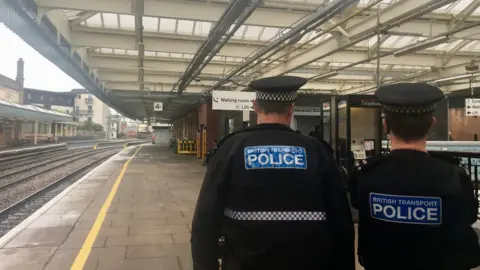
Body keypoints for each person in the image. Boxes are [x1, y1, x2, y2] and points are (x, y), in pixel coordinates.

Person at [191, 75, 355, 270]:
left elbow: (206, 219)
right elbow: (341, 222)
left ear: (255, 106)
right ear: (291, 108)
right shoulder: (317, 151)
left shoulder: (230, 149)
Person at [349, 83, 480, 270]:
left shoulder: (366, 174)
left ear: (386, 125)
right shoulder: (454, 176)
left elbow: (356, 204)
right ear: (431, 124)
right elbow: (469, 216)